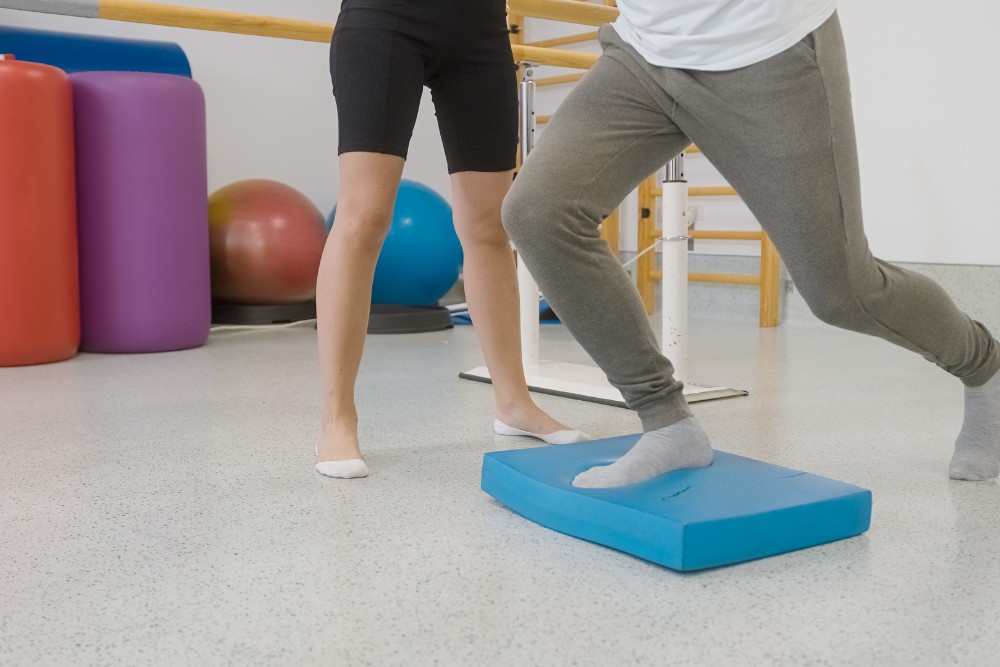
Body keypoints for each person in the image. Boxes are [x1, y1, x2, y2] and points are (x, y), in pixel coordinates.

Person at [502, 0, 1000, 487]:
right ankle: (667, 424)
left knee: (843, 292)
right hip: (644, 49)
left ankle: (985, 366)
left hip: (767, 50)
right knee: (539, 212)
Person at [315, 0, 587, 479]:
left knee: (489, 224)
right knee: (365, 216)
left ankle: (513, 402)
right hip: (383, 17)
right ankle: (337, 417)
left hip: (478, 26)